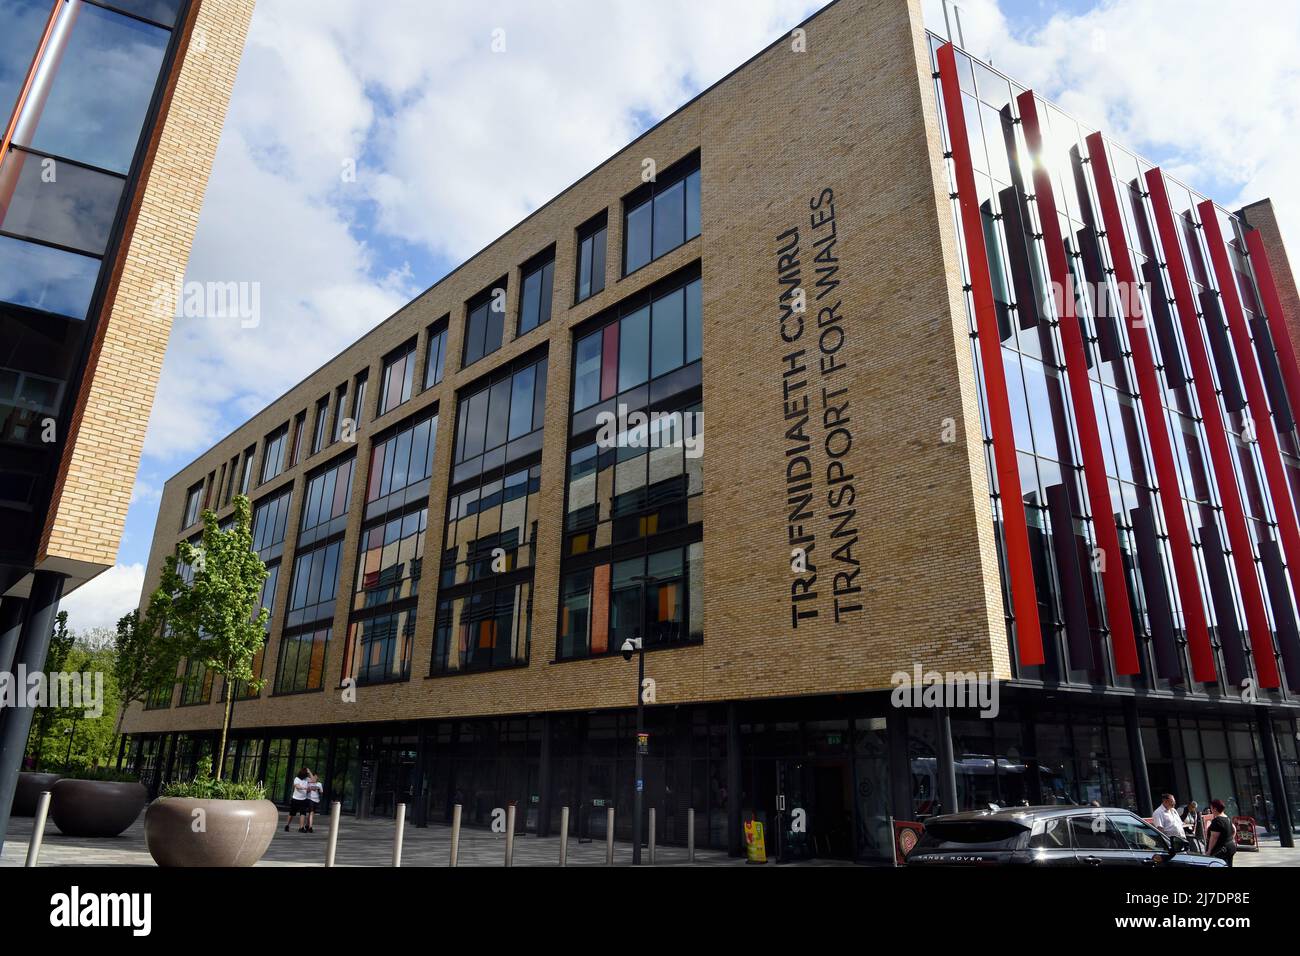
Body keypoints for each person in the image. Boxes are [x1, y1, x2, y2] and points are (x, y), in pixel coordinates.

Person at [1204, 799, 1236, 866]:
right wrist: (1230, 839)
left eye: (1211, 808)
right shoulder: (1227, 818)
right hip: (1230, 847)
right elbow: (1234, 829)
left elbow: (1214, 837)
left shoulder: (1217, 820)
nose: (1211, 810)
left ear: (1215, 809)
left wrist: (1209, 851)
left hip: (1221, 850)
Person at [286, 766, 312, 833]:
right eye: (306, 773)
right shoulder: (297, 779)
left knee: (303, 813)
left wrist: (309, 772)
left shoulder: (307, 779)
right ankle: (287, 825)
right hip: (295, 799)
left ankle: (301, 828)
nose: (307, 775)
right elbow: (297, 787)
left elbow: (314, 780)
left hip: (303, 799)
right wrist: (305, 788)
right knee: (292, 813)